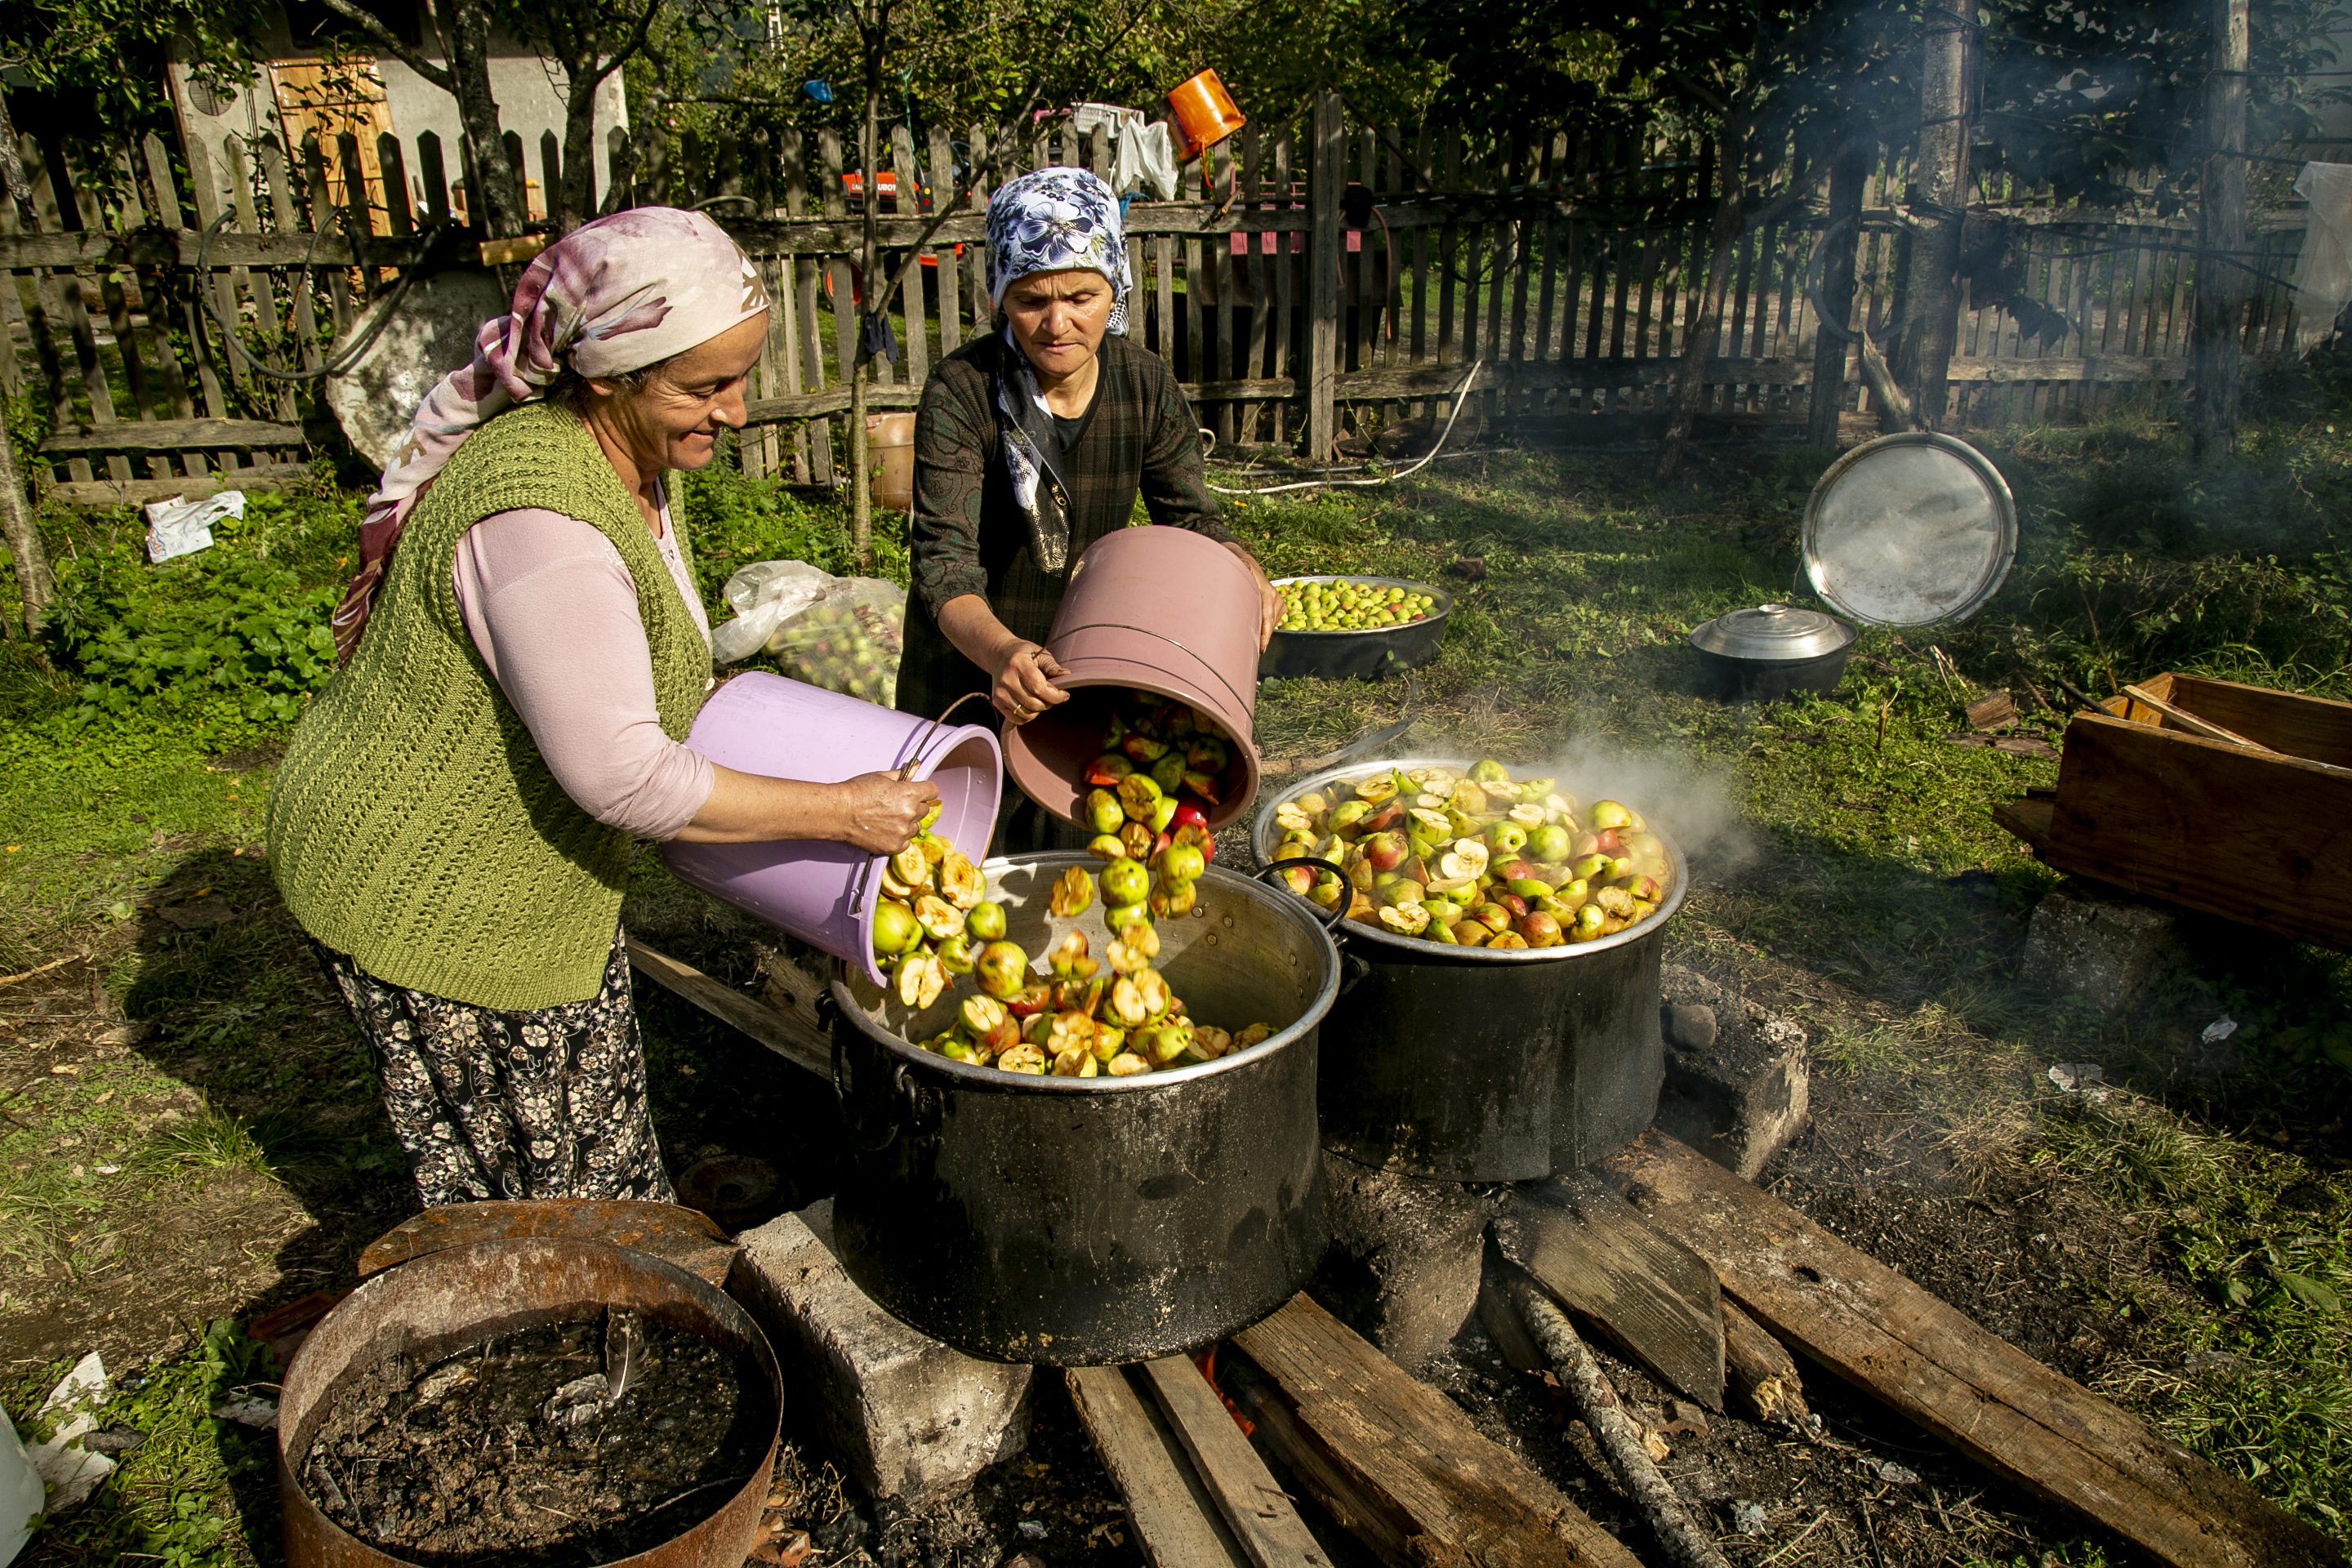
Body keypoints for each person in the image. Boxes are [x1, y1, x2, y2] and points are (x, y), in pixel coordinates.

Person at [267, 208, 938, 1209]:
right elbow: (620, 773)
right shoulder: (541, 516)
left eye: (741, 378)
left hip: (516, 872)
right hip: (428, 888)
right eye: (705, 387)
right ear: (607, 377)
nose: (739, 412)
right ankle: (564, 1330)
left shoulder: (625, 464)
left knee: (593, 1160)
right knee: (547, 1192)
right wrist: (842, 812)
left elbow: (622, 681)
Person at [896, 167, 1281, 851]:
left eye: (1082, 296)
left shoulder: (1143, 382)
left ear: (1116, 290)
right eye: (1030, 299)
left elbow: (1189, 515)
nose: (1057, 323)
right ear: (1000, 297)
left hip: (1092, 663)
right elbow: (943, 568)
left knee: (1079, 845)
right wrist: (1003, 652)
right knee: (958, 854)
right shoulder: (963, 391)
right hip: (972, 655)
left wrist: (1241, 565)